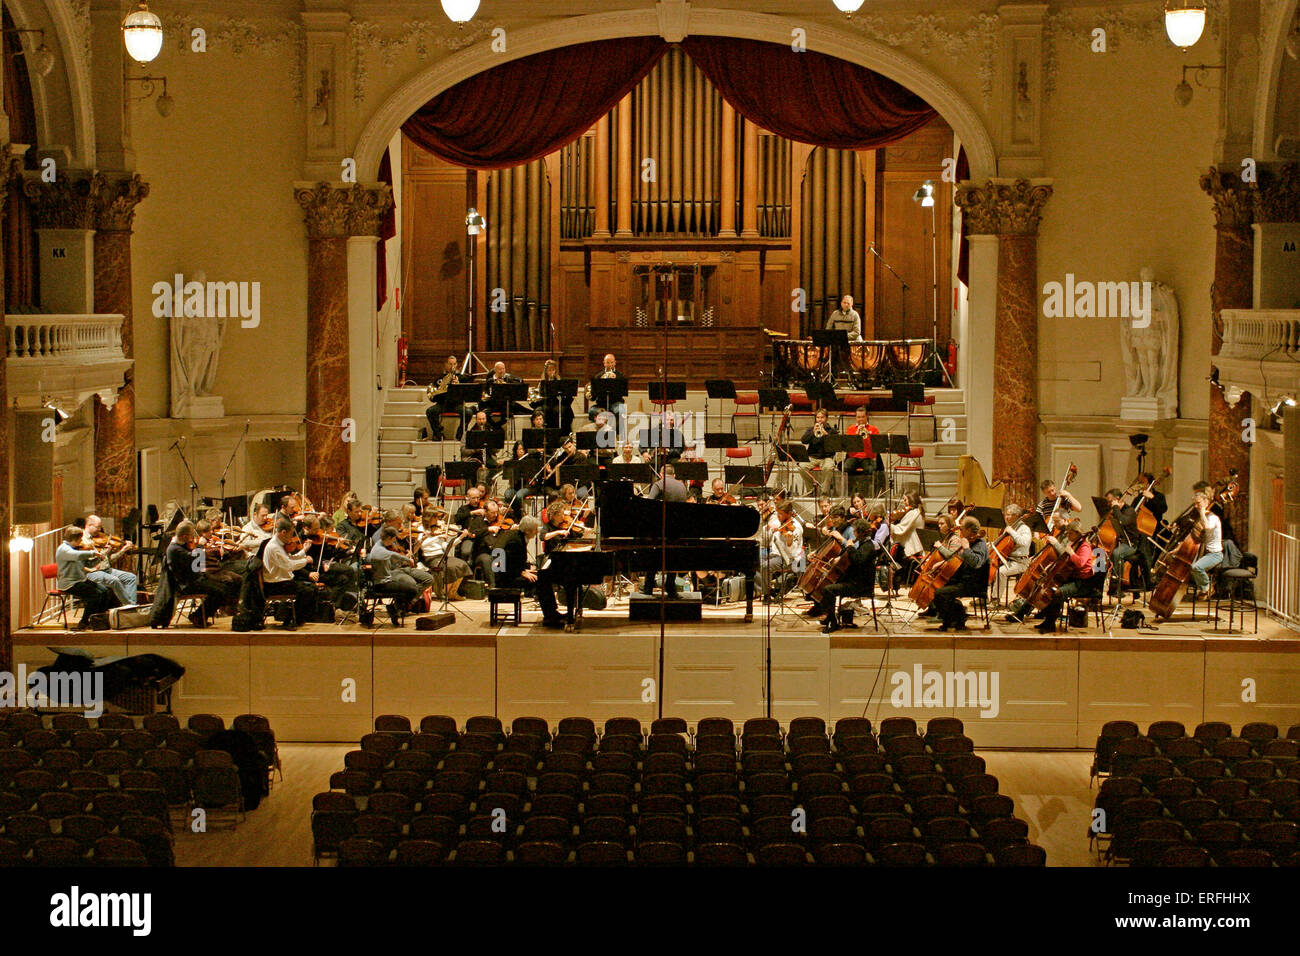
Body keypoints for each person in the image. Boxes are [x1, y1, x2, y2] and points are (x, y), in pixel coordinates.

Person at [1033, 518, 1101, 634]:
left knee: (1058, 592)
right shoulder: (1074, 544)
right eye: (1067, 532)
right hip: (1073, 578)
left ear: (1077, 533)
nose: (1068, 535)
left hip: (1082, 582)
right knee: (1050, 588)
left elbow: (1080, 563)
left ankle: (1050, 623)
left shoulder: (1084, 546)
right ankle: (1047, 619)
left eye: (1070, 533)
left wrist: (1071, 553)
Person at [928, 517, 991, 632]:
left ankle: (954, 619)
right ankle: (957, 616)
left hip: (974, 583)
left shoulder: (979, 544)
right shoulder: (968, 540)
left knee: (940, 593)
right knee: (935, 586)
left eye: (962, 529)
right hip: (963, 579)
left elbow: (977, 563)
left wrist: (967, 549)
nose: (960, 532)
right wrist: (942, 562)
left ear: (968, 530)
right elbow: (956, 557)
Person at [165, 520, 229, 626]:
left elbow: (195, 565)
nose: (192, 538)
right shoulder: (174, 549)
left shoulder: (181, 545)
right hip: (186, 584)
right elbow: (193, 558)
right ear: (185, 536)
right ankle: (198, 616)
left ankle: (199, 616)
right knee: (220, 592)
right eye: (191, 536)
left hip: (194, 578)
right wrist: (200, 547)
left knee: (224, 585)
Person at [261, 517, 318, 628]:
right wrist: (305, 560)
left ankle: (298, 618)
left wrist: (303, 551)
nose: (292, 537)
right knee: (307, 591)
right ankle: (290, 620)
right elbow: (289, 565)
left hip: (281, 582)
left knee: (312, 589)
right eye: (291, 534)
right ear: (283, 532)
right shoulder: (274, 547)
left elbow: (290, 558)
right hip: (274, 585)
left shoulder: (279, 545)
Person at [56, 526, 114, 629]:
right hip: (69, 583)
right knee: (94, 595)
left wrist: (102, 555)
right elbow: (76, 556)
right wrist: (93, 552)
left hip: (79, 580)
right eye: (80, 539)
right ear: (74, 538)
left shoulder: (74, 549)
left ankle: (97, 619)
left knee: (105, 591)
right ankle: (84, 622)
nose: (81, 541)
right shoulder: (63, 549)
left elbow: (89, 563)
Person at [368, 526, 424, 626]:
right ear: (390, 538)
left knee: (409, 587)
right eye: (394, 539)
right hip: (382, 584)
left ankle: (395, 608)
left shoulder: (379, 544)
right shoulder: (379, 550)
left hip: (385, 579)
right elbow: (393, 555)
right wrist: (408, 559)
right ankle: (395, 609)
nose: (394, 542)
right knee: (413, 589)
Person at [416, 511, 471, 601]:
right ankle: (445, 592)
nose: (438, 520)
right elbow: (423, 544)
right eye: (435, 518)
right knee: (450, 567)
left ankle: (452, 592)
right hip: (430, 557)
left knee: (462, 564)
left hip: (441, 555)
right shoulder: (421, 529)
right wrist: (437, 537)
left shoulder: (438, 529)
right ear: (428, 518)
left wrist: (460, 538)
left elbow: (445, 546)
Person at [1102, 488, 1145, 597]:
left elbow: (1122, 521)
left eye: (1110, 501)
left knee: (1117, 553)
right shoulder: (1115, 511)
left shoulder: (1129, 511)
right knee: (1100, 553)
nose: (1108, 504)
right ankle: (1098, 587)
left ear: (1117, 499)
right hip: (1121, 543)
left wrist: (1115, 507)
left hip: (1131, 545)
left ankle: (1117, 587)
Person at [761, 499, 804, 599]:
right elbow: (765, 537)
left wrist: (789, 542)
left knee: (765, 566)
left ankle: (766, 594)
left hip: (787, 558)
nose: (778, 516)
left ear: (789, 514)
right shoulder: (779, 522)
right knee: (755, 561)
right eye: (777, 513)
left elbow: (793, 552)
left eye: (780, 514)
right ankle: (769, 590)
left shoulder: (796, 528)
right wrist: (768, 528)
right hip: (774, 554)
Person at [1189, 488, 1224, 595]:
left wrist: (1202, 512)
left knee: (1196, 567)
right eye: (1194, 504)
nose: (1196, 506)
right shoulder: (1202, 517)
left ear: (1206, 502)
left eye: (1198, 503)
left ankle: (1207, 588)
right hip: (1203, 553)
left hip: (1214, 554)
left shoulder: (1213, 517)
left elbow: (1207, 527)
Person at [888, 491, 926, 587]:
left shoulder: (913, 513)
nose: (904, 502)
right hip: (917, 546)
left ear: (911, 499)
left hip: (911, 548)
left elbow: (901, 529)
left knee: (893, 552)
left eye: (905, 499)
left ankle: (895, 582)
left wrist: (888, 524)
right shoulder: (918, 511)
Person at [996, 504, 1033, 600]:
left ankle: (995, 599)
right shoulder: (1008, 527)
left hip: (1020, 562)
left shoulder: (1024, 528)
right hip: (1008, 560)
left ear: (1017, 516)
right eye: (1006, 514)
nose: (1007, 517)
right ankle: (984, 596)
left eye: (1009, 515)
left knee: (1001, 572)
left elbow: (1024, 542)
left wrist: (1012, 532)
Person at [800, 408, 839, 497]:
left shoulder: (832, 431)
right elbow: (804, 441)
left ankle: (824, 492)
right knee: (801, 467)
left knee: (829, 468)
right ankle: (811, 490)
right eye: (818, 417)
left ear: (826, 418)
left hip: (827, 457)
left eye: (822, 417)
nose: (820, 420)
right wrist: (813, 432)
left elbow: (835, 446)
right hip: (812, 457)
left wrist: (826, 435)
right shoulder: (811, 429)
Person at [843, 407, 882, 497]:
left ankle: (864, 494)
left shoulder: (874, 429)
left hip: (868, 457)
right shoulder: (850, 429)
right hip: (854, 456)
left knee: (870, 469)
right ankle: (850, 493)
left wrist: (867, 436)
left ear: (866, 417)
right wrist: (857, 435)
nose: (860, 419)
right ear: (856, 418)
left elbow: (875, 449)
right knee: (846, 467)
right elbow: (849, 448)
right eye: (858, 417)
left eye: (862, 417)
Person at [424, 355, 463, 440]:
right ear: (446, 365)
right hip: (443, 404)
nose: (452, 366)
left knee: (468, 412)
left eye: (454, 364)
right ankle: (438, 433)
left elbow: (465, 393)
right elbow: (434, 397)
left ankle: (460, 434)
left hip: (456, 405)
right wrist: (441, 389)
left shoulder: (461, 378)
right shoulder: (440, 378)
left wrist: (458, 385)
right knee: (430, 411)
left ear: (457, 365)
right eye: (450, 364)